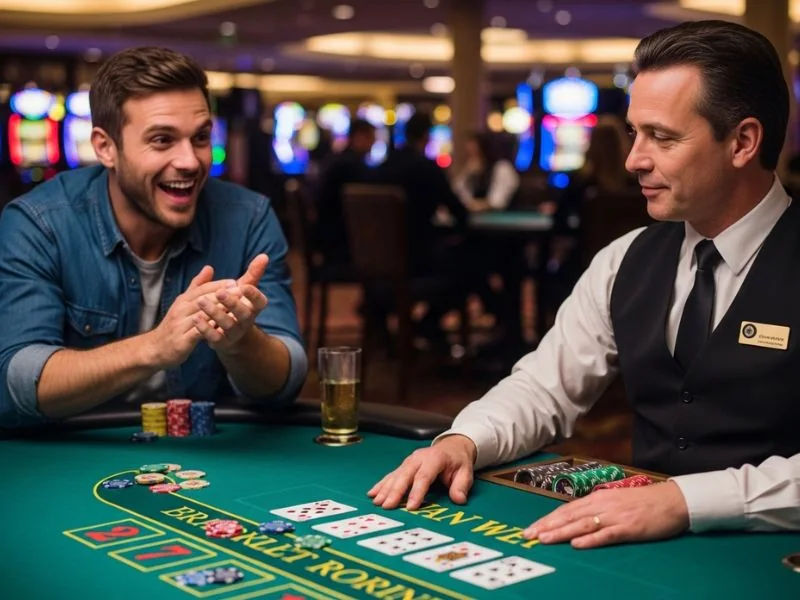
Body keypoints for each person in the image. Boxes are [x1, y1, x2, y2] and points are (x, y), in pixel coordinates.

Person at [368, 19, 800, 547]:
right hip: (649, 548)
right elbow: (544, 388)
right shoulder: (625, 260)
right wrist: (464, 440)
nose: (633, 159)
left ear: (743, 142)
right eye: (635, 132)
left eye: (662, 138)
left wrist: (688, 500)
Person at [0, 47, 307, 429]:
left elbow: (286, 379)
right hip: (71, 453)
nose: (190, 161)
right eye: (162, 140)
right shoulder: (38, 223)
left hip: (208, 459)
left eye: (200, 138)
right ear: (105, 147)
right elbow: (15, 381)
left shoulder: (249, 218)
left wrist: (240, 342)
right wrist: (155, 347)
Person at [313, 118, 376, 265]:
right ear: (358, 136)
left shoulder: (338, 160)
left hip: (329, 238)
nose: (373, 143)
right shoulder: (351, 166)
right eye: (371, 137)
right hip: (342, 243)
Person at [452, 131, 520, 212]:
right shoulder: (471, 171)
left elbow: (498, 202)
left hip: (504, 220)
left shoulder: (503, 168)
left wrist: (476, 205)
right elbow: (456, 193)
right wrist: (467, 172)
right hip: (477, 219)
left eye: (475, 151)